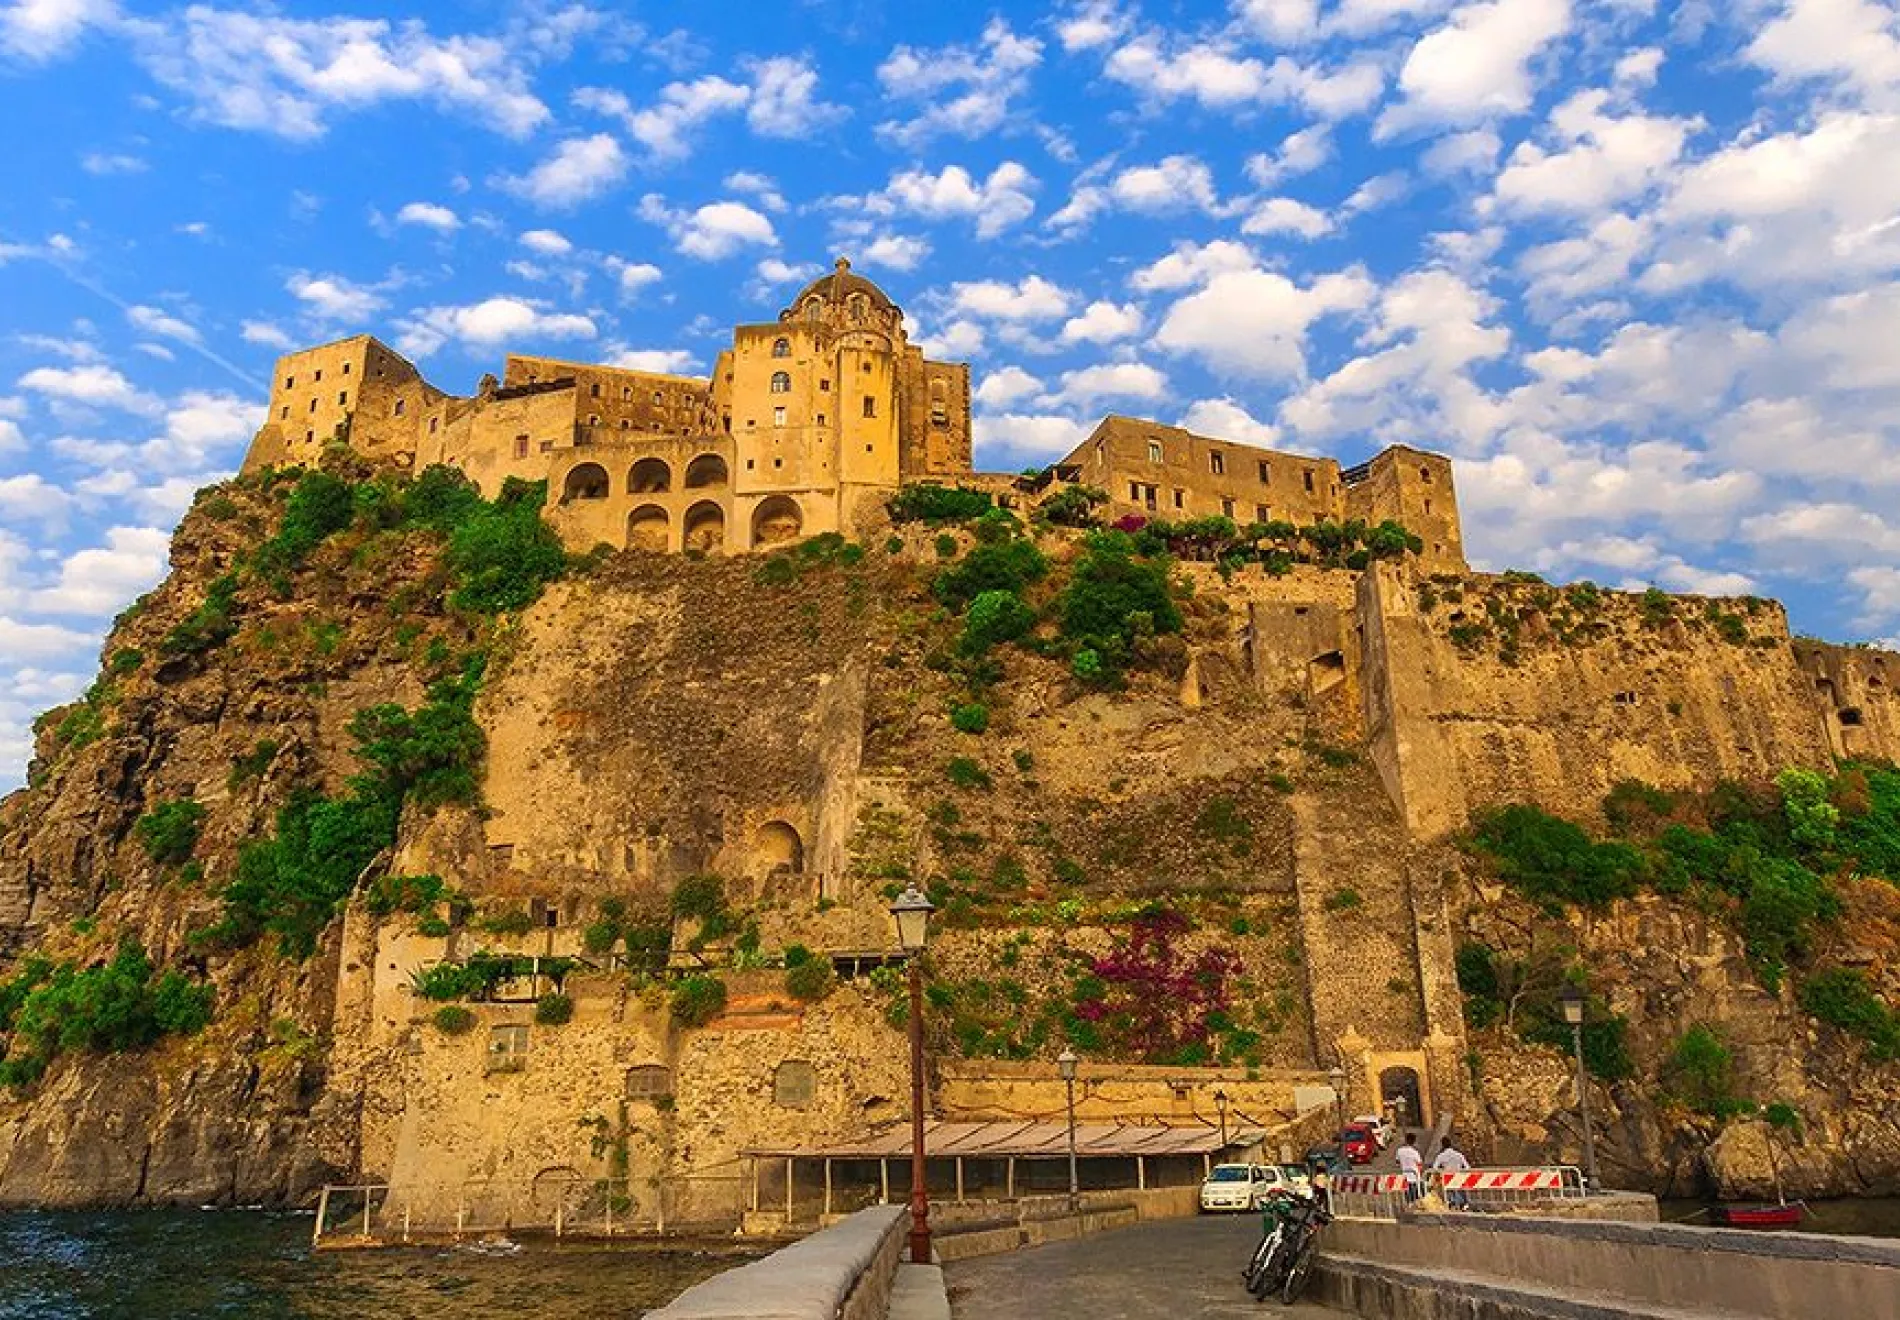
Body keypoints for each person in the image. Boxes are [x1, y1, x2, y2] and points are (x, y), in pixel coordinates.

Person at [1432, 1134, 1472, 1209]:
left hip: (1447, 1179)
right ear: (1451, 1144)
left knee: (1450, 1196)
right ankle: (1464, 1205)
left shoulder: (1441, 1156)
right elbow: (1467, 1167)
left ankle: (1452, 1205)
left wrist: (1440, 1173)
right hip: (1459, 1178)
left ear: (1442, 1145)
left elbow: (1434, 1168)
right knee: (1461, 1194)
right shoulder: (1459, 1155)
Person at [1394, 1131, 1423, 1203]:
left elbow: (1397, 1161)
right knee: (1415, 1198)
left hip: (1405, 1177)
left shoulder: (1399, 1150)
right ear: (1414, 1141)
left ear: (1406, 1140)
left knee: (1408, 1197)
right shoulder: (1415, 1152)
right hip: (1415, 1177)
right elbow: (1419, 1164)